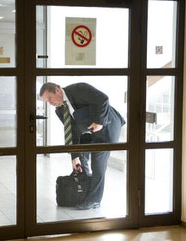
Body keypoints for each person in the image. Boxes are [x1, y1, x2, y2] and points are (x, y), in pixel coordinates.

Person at [40, 82, 125, 210]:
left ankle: (95, 200)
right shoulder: (60, 110)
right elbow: (72, 133)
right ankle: (85, 192)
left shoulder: (79, 89)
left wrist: (99, 122)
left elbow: (103, 99)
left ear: (57, 90)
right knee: (81, 160)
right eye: (47, 102)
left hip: (107, 127)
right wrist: (75, 157)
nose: (51, 103)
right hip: (88, 132)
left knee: (98, 163)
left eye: (50, 98)